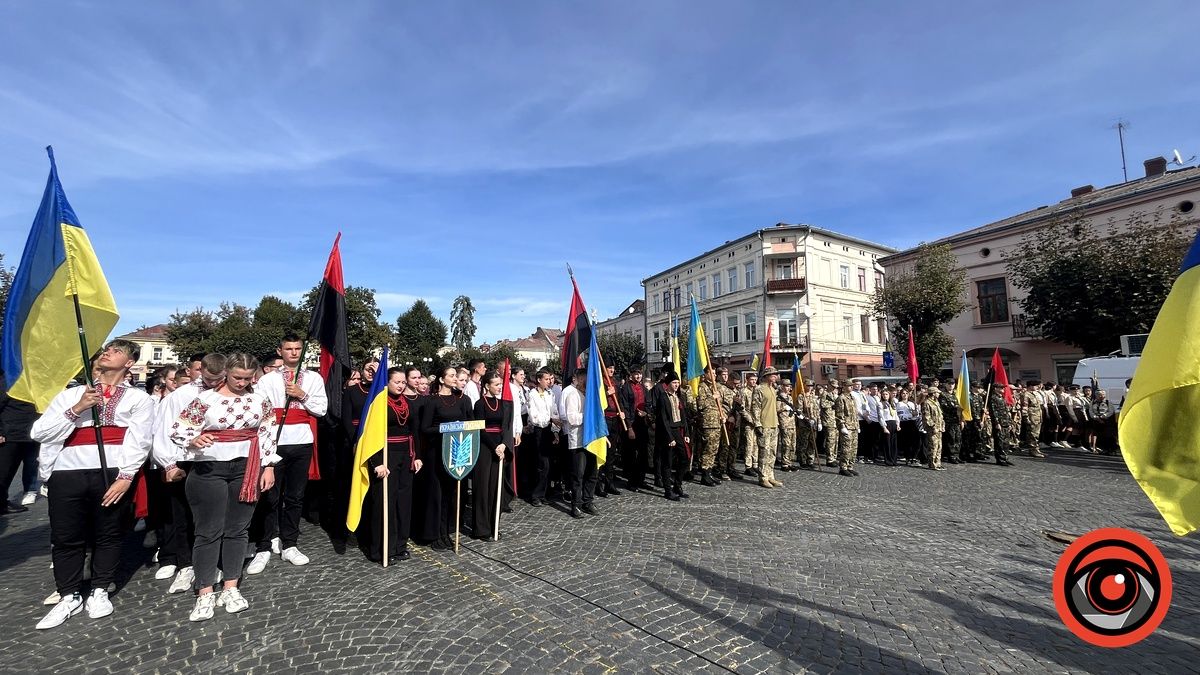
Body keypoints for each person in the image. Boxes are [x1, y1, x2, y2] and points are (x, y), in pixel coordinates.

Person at [31, 340, 154, 630]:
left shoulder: (138, 399)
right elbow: (40, 433)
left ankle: (100, 588)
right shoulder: (71, 395)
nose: (107, 353)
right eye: (106, 350)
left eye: (117, 351)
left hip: (111, 471)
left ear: (129, 363)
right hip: (67, 471)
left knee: (108, 533)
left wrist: (126, 476)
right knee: (66, 535)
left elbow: (140, 440)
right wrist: (77, 409)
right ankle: (68, 594)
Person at [167, 353, 279, 622]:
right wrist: (194, 439)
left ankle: (231, 586)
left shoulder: (259, 399)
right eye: (237, 377)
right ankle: (205, 590)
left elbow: (267, 432)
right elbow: (178, 429)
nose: (242, 383)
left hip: (246, 467)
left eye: (247, 378)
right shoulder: (205, 399)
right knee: (208, 531)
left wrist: (269, 466)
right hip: (209, 468)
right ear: (226, 372)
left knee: (238, 529)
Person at [245, 333, 328, 575]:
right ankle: (264, 545)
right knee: (269, 496)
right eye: (289, 348)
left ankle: (290, 543)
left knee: (295, 496)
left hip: (302, 440)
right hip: (274, 440)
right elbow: (259, 410)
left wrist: (302, 395)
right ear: (280, 351)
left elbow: (321, 409)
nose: (293, 353)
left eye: (297, 349)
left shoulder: (313, 378)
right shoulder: (268, 379)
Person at [149, 354, 227, 595]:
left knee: (216, 516)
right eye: (209, 378)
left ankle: (216, 563)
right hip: (187, 460)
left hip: (220, 459)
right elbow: (163, 430)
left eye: (219, 379)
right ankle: (186, 565)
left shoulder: (231, 393)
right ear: (199, 371)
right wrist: (169, 464)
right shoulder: (181, 396)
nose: (214, 383)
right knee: (182, 515)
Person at [358, 367, 422, 563]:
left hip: (405, 455)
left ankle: (399, 546)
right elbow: (370, 435)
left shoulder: (406, 402)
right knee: (385, 503)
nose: (401, 385)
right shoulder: (378, 402)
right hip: (386, 456)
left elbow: (414, 431)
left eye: (403, 382)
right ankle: (382, 549)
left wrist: (417, 456)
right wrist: (377, 463)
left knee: (403, 503)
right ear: (387, 382)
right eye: (397, 382)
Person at [417, 367, 474, 549]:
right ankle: (434, 533)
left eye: (456, 375)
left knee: (450, 493)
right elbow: (425, 428)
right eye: (451, 375)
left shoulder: (461, 400)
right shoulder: (432, 401)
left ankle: (446, 530)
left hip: (454, 452)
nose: (455, 378)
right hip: (436, 452)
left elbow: (468, 423)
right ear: (442, 380)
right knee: (436, 494)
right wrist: (447, 428)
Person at [471, 372, 513, 539]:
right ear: (487, 386)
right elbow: (480, 429)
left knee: (495, 487)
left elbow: (505, 426)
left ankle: (493, 524)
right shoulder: (480, 404)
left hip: (499, 447)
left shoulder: (502, 403)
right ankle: (481, 528)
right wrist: (494, 446)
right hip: (485, 447)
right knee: (483, 487)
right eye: (496, 384)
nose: (499, 387)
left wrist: (503, 444)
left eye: (500, 384)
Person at [1, 369, 41, 513]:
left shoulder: (34, 382)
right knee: (3, 471)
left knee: (12, 471)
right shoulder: (9, 381)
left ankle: (2, 502)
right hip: (10, 434)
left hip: (29, 433)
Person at [560, 368, 596, 517]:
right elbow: (572, 418)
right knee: (578, 474)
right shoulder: (572, 395)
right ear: (580, 379)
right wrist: (589, 416)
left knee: (592, 473)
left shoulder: (591, 395)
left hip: (592, 439)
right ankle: (576, 504)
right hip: (579, 440)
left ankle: (588, 501)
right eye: (585, 379)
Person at [652, 371, 690, 501]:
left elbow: (684, 416)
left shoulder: (679, 396)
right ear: (668, 384)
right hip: (667, 432)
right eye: (674, 382)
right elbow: (663, 419)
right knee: (667, 461)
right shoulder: (663, 397)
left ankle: (677, 485)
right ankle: (668, 490)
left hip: (678, 430)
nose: (676, 385)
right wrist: (669, 437)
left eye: (678, 382)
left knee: (684, 458)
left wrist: (686, 433)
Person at [526, 368, 561, 506]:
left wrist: (555, 428)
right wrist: (548, 419)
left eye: (549, 379)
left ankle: (543, 493)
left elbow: (554, 411)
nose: (548, 382)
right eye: (546, 379)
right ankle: (535, 494)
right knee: (542, 463)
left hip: (548, 429)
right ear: (539, 380)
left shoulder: (549, 393)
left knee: (548, 463)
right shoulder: (532, 394)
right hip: (538, 430)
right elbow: (533, 415)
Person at [750, 367, 783, 489]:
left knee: (772, 453)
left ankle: (770, 475)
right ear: (766, 376)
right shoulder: (759, 389)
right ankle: (763, 477)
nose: (775, 376)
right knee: (764, 452)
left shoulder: (773, 389)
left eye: (775, 374)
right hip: (764, 425)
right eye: (772, 374)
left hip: (774, 424)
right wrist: (757, 424)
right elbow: (755, 408)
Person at [618, 368, 650, 491]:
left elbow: (648, 403)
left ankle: (641, 479)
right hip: (631, 423)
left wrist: (646, 413)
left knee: (643, 454)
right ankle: (631, 481)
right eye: (636, 374)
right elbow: (624, 407)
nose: (638, 376)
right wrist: (629, 427)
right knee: (631, 455)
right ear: (631, 375)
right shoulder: (626, 388)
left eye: (640, 374)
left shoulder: (643, 388)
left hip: (642, 423)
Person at [693, 366, 724, 486]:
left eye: (715, 373)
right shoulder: (702, 387)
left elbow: (719, 405)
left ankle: (710, 472)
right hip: (708, 423)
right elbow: (701, 404)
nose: (714, 375)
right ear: (705, 374)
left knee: (714, 449)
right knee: (708, 448)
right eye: (711, 373)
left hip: (717, 422)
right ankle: (705, 474)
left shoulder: (715, 387)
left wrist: (723, 415)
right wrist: (712, 397)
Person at [597, 362, 624, 498]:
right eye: (609, 367)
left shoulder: (616, 383)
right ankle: (598, 485)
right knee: (602, 452)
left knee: (612, 453)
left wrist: (622, 412)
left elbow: (620, 400)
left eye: (613, 367)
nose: (612, 370)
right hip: (604, 418)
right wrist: (606, 393)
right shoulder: (599, 382)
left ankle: (609, 482)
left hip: (615, 419)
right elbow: (596, 400)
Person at [714, 368, 738, 480]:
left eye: (726, 374)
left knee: (733, 446)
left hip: (736, 421)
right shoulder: (720, 388)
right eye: (723, 374)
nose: (725, 376)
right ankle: (721, 469)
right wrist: (727, 417)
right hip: (726, 421)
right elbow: (718, 405)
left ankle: (731, 468)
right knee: (724, 446)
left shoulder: (735, 390)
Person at [834, 380, 859, 477]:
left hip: (854, 426)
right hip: (847, 427)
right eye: (849, 386)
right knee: (846, 448)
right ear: (844, 387)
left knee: (853, 448)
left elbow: (855, 413)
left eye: (852, 386)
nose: (851, 387)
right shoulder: (841, 398)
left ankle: (850, 466)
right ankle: (843, 468)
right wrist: (842, 426)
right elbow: (839, 414)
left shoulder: (852, 397)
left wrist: (857, 425)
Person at [795, 381, 820, 470]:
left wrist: (819, 422)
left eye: (811, 386)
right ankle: (803, 461)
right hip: (805, 424)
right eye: (808, 385)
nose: (810, 387)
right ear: (804, 386)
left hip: (814, 423)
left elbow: (817, 410)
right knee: (804, 442)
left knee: (812, 442)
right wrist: (807, 419)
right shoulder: (801, 396)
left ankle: (810, 460)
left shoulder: (813, 397)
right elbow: (799, 410)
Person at [918, 389, 945, 471]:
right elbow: (927, 417)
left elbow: (940, 415)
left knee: (939, 446)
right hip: (932, 429)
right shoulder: (927, 403)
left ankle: (938, 463)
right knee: (933, 446)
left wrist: (942, 425)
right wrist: (933, 427)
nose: (939, 394)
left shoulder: (936, 402)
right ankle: (932, 464)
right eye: (937, 393)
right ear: (933, 393)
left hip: (939, 427)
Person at [737, 372, 758, 477]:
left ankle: (755, 464)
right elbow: (742, 409)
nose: (754, 381)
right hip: (748, 422)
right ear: (747, 380)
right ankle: (748, 466)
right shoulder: (743, 391)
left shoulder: (757, 391)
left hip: (757, 421)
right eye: (752, 379)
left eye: (755, 379)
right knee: (749, 444)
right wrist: (750, 420)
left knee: (756, 444)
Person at [938, 381, 963, 464]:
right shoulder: (943, 395)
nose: (951, 385)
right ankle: (951, 456)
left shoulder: (955, 395)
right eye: (949, 384)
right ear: (946, 384)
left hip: (956, 420)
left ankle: (957, 455)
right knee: (951, 438)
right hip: (949, 420)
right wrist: (956, 408)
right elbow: (944, 407)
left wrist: (961, 419)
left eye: (952, 384)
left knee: (958, 438)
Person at [775, 379, 798, 472]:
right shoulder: (778, 397)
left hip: (791, 422)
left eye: (789, 386)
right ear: (782, 386)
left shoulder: (789, 397)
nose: (789, 388)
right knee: (786, 444)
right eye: (787, 386)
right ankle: (784, 463)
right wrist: (784, 407)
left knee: (793, 443)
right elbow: (776, 409)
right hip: (784, 422)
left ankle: (790, 462)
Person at [1019, 380, 1045, 458]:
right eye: (1036, 386)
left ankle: (1036, 449)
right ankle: (1033, 450)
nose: (1037, 387)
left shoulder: (1033, 394)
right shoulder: (1026, 395)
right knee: (1032, 434)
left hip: (1037, 417)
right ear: (1030, 386)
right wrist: (1026, 418)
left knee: (1036, 434)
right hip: (1031, 417)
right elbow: (1024, 407)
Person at [819, 380, 840, 468]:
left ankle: (834, 457)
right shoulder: (825, 394)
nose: (835, 388)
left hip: (835, 420)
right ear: (829, 385)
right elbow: (823, 404)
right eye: (833, 386)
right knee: (830, 440)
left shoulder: (834, 394)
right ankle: (830, 459)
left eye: (836, 387)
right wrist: (833, 404)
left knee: (836, 440)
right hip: (828, 420)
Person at [896, 389, 919, 465]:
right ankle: (908, 457)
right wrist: (911, 415)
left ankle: (914, 457)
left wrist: (916, 413)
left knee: (915, 441)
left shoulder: (911, 403)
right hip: (904, 424)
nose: (905, 394)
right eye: (903, 393)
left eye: (906, 393)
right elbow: (900, 415)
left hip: (912, 423)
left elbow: (916, 415)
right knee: (907, 441)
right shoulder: (899, 404)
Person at [880, 389, 900, 466]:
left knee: (894, 443)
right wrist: (884, 427)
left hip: (893, 423)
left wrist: (898, 424)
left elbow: (896, 415)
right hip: (886, 423)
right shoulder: (880, 404)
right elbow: (880, 417)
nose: (885, 396)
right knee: (887, 443)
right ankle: (888, 460)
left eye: (886, 394)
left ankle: (894, 459)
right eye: (883, 394)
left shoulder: (892, 403)